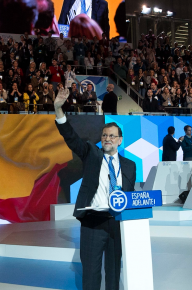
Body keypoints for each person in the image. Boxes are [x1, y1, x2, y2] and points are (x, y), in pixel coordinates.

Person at [53, 89, 136, 290]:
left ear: (120, 140)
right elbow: (71, 138)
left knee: (114, 272)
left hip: (117, 224)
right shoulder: (92, 154)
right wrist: (58, 109)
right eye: (105, 135)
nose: (107, 138)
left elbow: (131, 196)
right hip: (93, 223)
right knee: (90, 273)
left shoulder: (130, 165)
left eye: (112, 136)